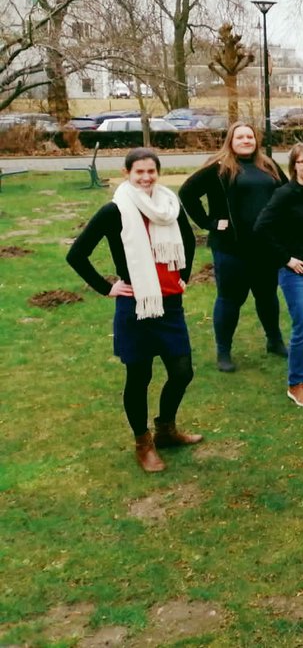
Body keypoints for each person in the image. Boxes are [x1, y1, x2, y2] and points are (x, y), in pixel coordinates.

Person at [67, 148, 202, 473]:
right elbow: (77, 254)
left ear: (158, 173)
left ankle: (166, 430)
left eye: (150, 172)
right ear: (128, 173)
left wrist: (182, 278)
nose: (145, 177)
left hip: (170, 304)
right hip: (135, 306)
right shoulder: (115, 210)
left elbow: (190, 240)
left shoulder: (170, 206)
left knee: (182, 371)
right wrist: (108, 286)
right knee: (139, 376)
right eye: (139, 172)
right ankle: (144, 443)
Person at [180, 121, 287, 372]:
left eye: (250, 136)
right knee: (230, 299)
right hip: (231, 248)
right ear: (231, 140)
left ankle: (274, 340)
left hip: (265, 247)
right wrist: (209, 222)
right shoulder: (219, 167)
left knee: (267, 296)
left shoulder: (268, 165)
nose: (246, 140)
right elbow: (187, 193)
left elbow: (285, 192)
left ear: (256, 140)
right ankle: (223, 351)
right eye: (240, 137)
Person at [255, 143, 303, 408]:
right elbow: (262, 229)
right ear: (294, 166)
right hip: (294, 273)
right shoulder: (284, 194)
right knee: (302, 327)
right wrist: (286, 259)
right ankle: (294, 384)